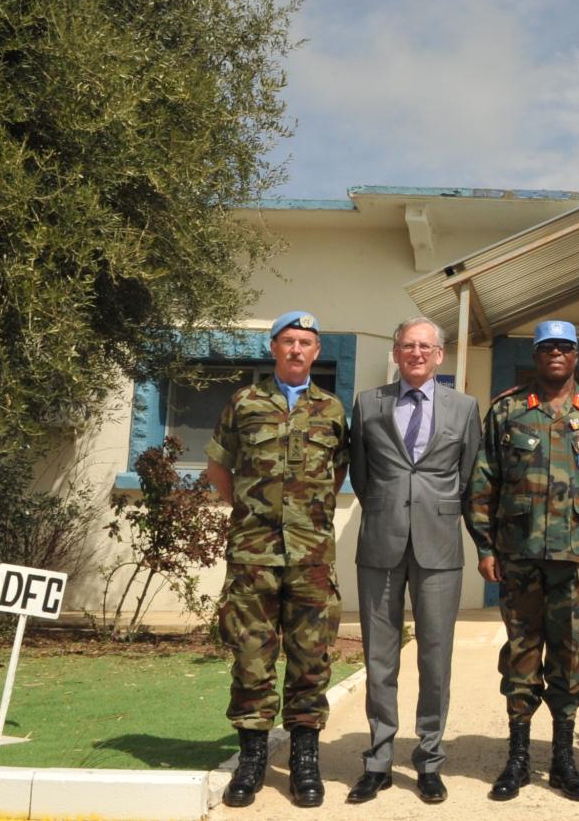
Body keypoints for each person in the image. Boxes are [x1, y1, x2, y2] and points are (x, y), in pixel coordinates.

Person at [467, 320, 579, 803]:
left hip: (576, 556)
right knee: (521, 653)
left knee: (568, 657)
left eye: (564, 347)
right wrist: (485, 547)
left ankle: (563, 760)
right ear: (535, 355)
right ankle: (518, 758)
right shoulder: (506, 410)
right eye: (547, 347)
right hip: (519, 555)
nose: (556, 353)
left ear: (576, 356)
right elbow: (483, 482)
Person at [205, 310, 350, 809]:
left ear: (316, 351)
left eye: (305, 342)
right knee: (251, 656)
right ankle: (251, 759)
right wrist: (252, 512)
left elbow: (336, 474)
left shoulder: (332, 409)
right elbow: (219, 468)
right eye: (288, 341)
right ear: (273, 348)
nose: (296, 349)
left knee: (312, 658)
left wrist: (305, 517)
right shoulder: (244, 402)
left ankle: (305, 759)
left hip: (311, 556)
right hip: (254, 554)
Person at [346, 317, 481, 806]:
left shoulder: (464, 407)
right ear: (396, 352)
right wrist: (390, 508)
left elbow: (467, 476)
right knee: (379, 658)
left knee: (435, 658)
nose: (417, 353)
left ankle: (429, 761)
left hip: (438, 546)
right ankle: (378, 760)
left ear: (440, 354)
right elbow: (362, 474)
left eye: (426, 346)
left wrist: (432, 509)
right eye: (408, 345)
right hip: (381, 543)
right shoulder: (368, 403)